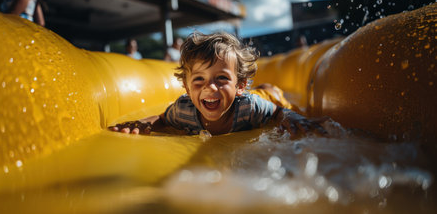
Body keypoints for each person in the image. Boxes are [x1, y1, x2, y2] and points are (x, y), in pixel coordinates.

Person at [109, 32, 326, 138]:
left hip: (266, 98)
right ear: (186, 86)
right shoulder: (184, 110)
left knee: (271, 92)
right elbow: (162, 118)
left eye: (221, 78)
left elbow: (278, 111)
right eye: (199, 80)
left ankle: (268, 87)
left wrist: (292, 116)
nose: (209, 88)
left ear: (240, 85)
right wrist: (143, 123)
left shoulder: (249, 107)